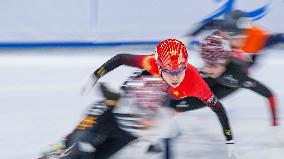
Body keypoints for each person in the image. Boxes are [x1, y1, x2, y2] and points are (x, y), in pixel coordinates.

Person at [6, 76, 177, 159]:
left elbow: (168, 140)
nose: (149, 121)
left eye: (152, 116)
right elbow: (107, 89)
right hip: (102, 119)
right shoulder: (118, 105)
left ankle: (56, 158)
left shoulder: (162, 117)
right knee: (76, 154)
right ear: (135, 106)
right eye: (144, 115)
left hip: (125, 134)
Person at [83, 38, 235, 144]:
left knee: (167, 110)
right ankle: (124, 98)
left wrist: (229, 138)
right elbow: (120, 58)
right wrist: (96, 75)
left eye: (179, 71)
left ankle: (151, 128)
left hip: (174, 98)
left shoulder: (195, 82)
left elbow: (218, 108)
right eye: (170, 71)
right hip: (151, 91)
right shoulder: (151, 64)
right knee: (143, 82)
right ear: (160, 66)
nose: (174, 77)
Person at [171, 31, 279, 127]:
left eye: (212, 65)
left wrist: (275, 124)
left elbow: (269, 95)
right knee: (175, 98)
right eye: (206, 63)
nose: (208, 69)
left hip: (229, 83)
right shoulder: (212, 68)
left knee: (180, 105)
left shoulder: (237, 76)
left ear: (224, 62)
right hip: (222, 71)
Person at [185, 10, 284, 66]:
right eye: (230, 34)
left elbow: (278, 38)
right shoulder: (224, 27)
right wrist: (190, 36)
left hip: (250, 52)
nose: (233, 38)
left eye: (239, 36)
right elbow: (208, 24)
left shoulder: (261, 37)